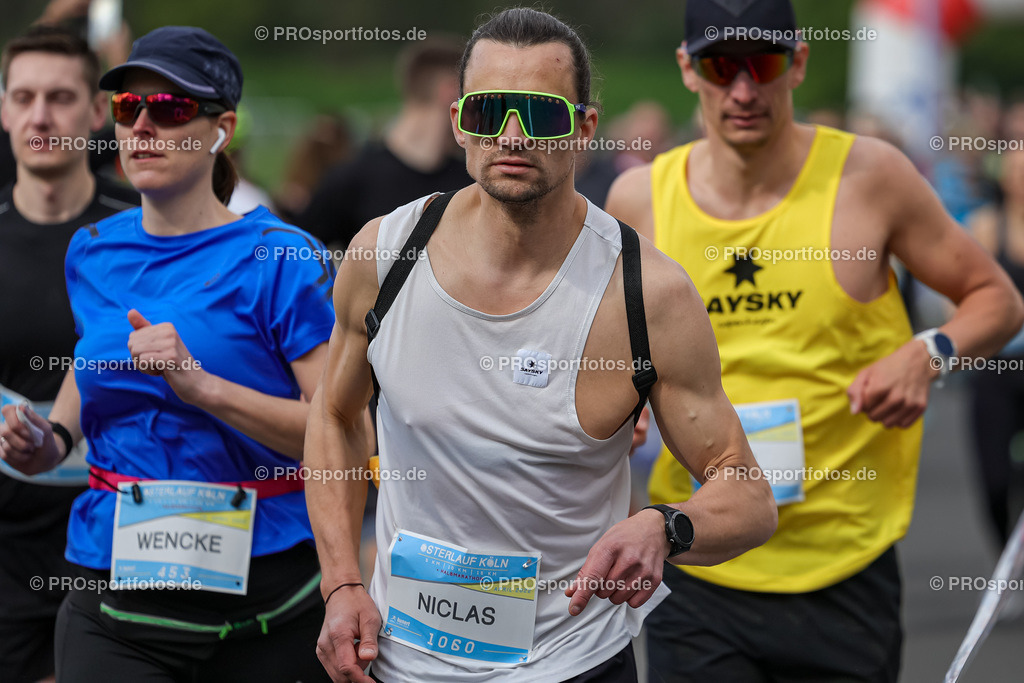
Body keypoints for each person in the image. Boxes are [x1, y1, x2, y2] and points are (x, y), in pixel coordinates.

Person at [306, 8, 777, 683]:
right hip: (399, 660)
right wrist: (342, 583)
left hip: (571, 663)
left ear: (586, 127)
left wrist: (664, 526)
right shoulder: (385, 253)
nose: (513, 134)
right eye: (491, 110)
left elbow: (748, 492)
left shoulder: (647, 293)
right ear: (459, 121)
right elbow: (335, 413)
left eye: (543, 114)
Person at [605, 0, 1024, 680]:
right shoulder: (638, 200)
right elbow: (609, 347)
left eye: (763, 63)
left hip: (844, 566)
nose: (743, 89)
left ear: (797, 63)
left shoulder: (871, 178)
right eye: (720, 65)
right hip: (699, 553)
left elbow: (997, 300)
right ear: (688, 69)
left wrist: (929, 353)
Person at [0, 26, 337, 682]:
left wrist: (203, 386)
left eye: (172, 108)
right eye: (129, 109)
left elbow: (337, 430)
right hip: (115, 604)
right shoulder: (92, 249)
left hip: (266, 606)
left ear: (222, 129)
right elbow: (90, 353)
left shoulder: (282, 254)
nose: (143, 125)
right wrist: (53, 437)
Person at [0, 25, 138, 683]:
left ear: (95, 112)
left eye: (59, 97)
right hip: (7, 554)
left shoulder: (149, 231)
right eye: (23, 96)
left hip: (133, 542)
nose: (39, 115)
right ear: (3, 109)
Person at [296, 37, 472, 249]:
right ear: (449, 90)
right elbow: (295, 261)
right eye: (473, 91)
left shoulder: (469, 182)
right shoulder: (351, 180)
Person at [967, 147, 1024, 547]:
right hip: (996, 366)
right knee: (996, 479)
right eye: (1016, 169)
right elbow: (962, 294)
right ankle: (1006, 565)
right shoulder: (986, 225)